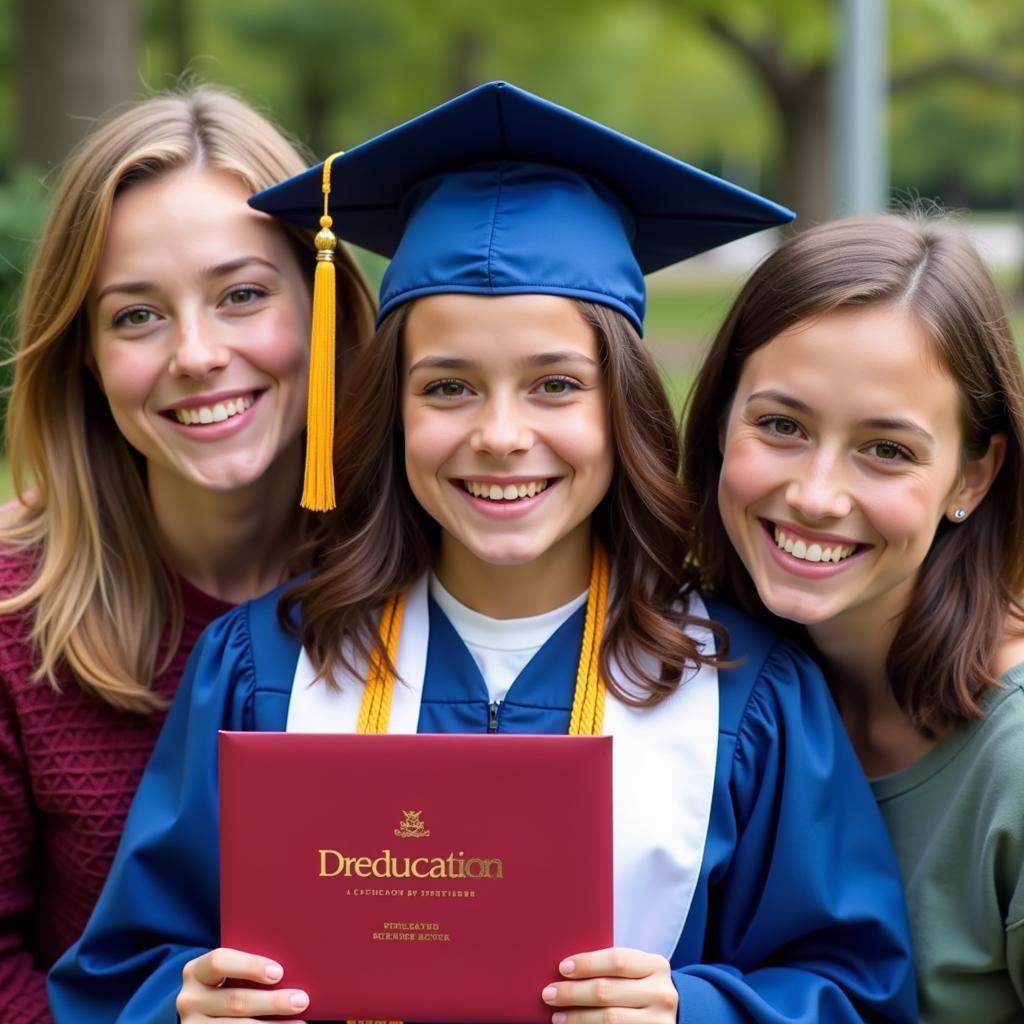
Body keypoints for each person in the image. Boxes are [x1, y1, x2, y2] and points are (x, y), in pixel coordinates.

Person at [50, 82, 916, 1024]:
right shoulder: (266, 668)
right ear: (389, 411)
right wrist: (183, 1004)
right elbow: (120, 973)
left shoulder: (741, 691)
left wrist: (692, 1012)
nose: (501, 435)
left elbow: (855, 988)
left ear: (621, 409)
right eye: (449, 387)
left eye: (554, 385)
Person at [0, 86, 375, 1022]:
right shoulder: (12, 619)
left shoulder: (435, 573)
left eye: (241, 295)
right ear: (84, 353)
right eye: (136, 316)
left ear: (322, 304)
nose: (197, 354)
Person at [682, 213, 1024, 1022]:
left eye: (888, 450)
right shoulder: (688, 689)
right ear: (722, 419)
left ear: (972, 478)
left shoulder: (1011, 767)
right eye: (781, 426)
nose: (815, 494)